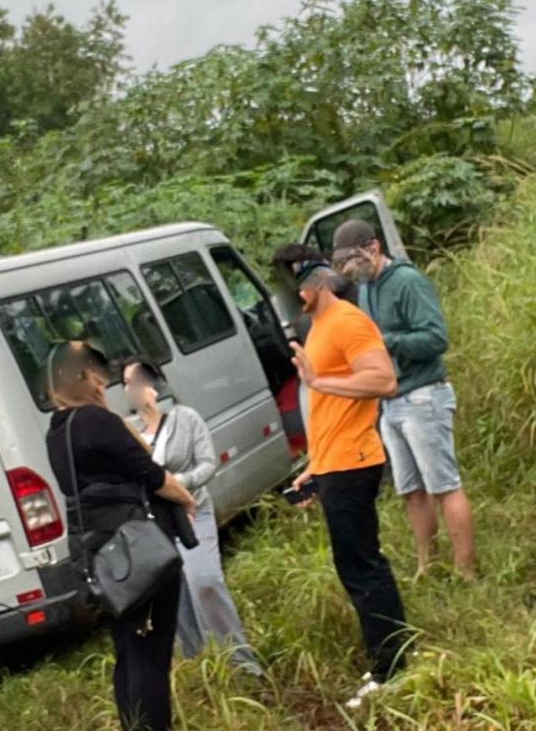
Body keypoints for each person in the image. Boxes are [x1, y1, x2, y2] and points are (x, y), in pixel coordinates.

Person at [43, 342, 196, 731]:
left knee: (128, 650)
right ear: (83, 378)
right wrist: (185, 497)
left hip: (103, 555)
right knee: (151, 656)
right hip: (138, 550)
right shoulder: (98, 421)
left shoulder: (57, 431)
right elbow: (150, 471)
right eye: (98, 378)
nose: (104, 385)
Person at [287, 260, 409, 709]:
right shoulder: (319, 327)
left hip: (355, 461)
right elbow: (329, 410)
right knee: (354, 564)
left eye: (299, 286)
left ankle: (392, 668)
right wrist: (315, 466)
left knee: (362, 565)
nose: (294, 296)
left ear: (317, 284)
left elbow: (384, 380)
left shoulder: (348, 321)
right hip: (333, 463)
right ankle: (387, 654)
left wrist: (319, 380)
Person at [332, 220, 476, 581]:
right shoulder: (366, 288)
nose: (350, 270)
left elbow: (436, 338)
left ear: (373, 248)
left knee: (444, 487)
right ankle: (427, 567)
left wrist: (387, 341)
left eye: (354, 260)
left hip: (424, 396)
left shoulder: (408, 282)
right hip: (391, 402)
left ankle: (466, 572)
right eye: (344, 264)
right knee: (411, 492)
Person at [122, 359, 262, 674]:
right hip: (155, 524)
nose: (132, 388)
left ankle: (242, 663)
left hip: (192, 510)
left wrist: (177, 484)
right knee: (177, 598)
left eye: (138, 380)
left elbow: (207, 464)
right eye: (127, 383)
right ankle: (201, 666)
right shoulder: (129, 431)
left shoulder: (185, 418)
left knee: (205, 582)